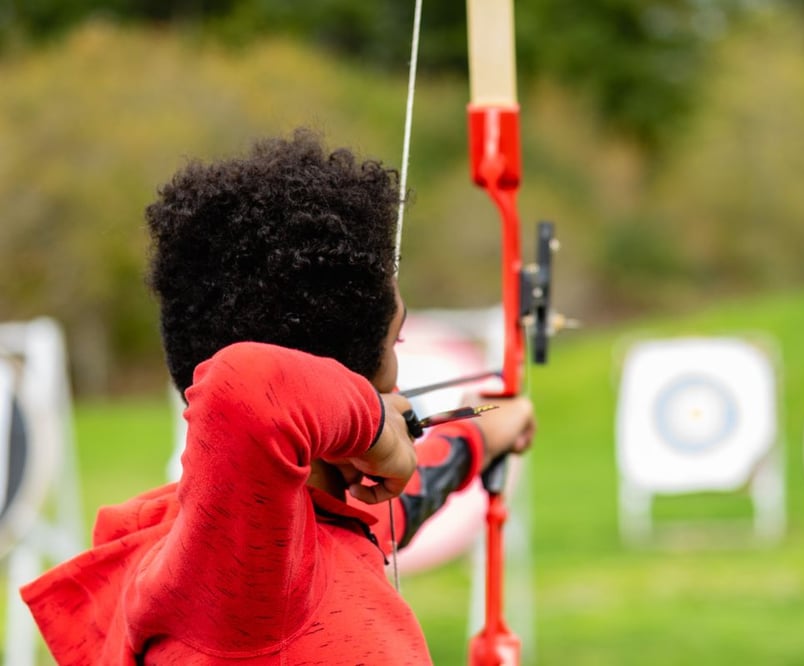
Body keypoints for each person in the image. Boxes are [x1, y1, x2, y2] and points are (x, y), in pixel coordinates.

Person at [19, 128, 536, 665]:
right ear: (344, 388)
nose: (399, 375)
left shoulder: (277, 531)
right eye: (395, 340)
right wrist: (378, 433)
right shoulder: (249, 576)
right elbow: (245, 386)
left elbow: (407, 495)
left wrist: (485, 431)